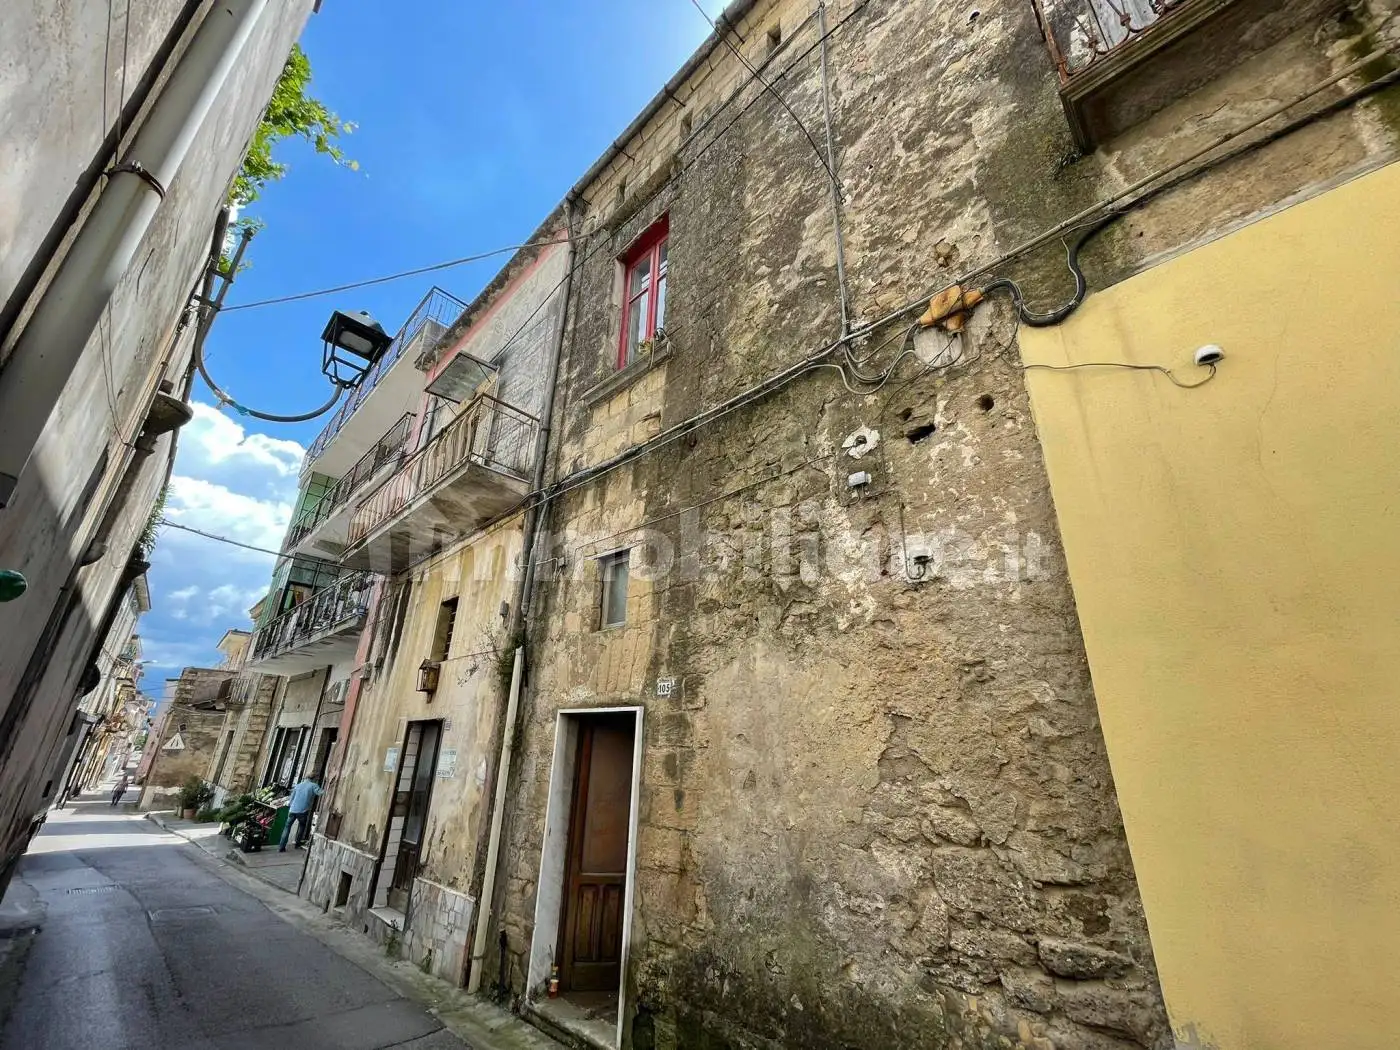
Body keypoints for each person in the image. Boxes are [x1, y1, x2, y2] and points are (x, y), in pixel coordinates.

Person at [279, 774, 322, 852]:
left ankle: (281, 847)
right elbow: (321, 793)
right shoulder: (314, 785)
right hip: (303, 811)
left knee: (287, 827)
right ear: (314, 779)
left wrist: (291, 807)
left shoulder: (298, 785)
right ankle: (297, 843)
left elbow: (291, 798)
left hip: (292, 810)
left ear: (305, 778)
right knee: (302, 826)